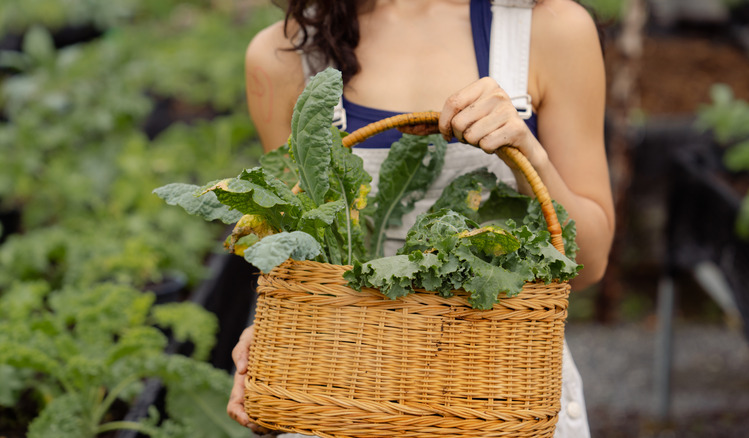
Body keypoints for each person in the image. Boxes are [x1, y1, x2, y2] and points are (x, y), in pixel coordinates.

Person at [229, 0, 615, 436]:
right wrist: (268, 340)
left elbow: (591, 264)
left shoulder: (551, 28)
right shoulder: (286, 53)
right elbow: (294, 254)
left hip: (502, 400)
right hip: (345, 403)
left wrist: (530, 156)